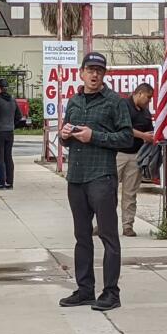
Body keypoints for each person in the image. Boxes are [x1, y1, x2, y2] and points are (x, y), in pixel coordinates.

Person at [58, 52, 133, 311]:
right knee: (81, 236)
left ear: (104, 74)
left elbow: (126, 138)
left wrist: (95, 136)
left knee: (108, 235)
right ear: (81, 72)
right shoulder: (75, 101)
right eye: (90, 70)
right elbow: (66, 139)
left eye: (99, 71)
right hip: (76, 177)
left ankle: (111, 292)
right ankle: (85, 289)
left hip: (101, 176)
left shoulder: (115, 102)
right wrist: (64, 134)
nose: (94, 74)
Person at [117, 83, 154, 237]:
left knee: (130, 193)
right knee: (107, 192)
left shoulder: (145, 112)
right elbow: (122, 128)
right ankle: (103, 224)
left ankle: (128, 226)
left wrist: (151, 136)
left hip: (136, 155)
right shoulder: (123, 105)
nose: (149, 101)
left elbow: (149, 129)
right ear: (139, 93)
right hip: (118, 153)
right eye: (148, 97)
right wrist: (144, 136)